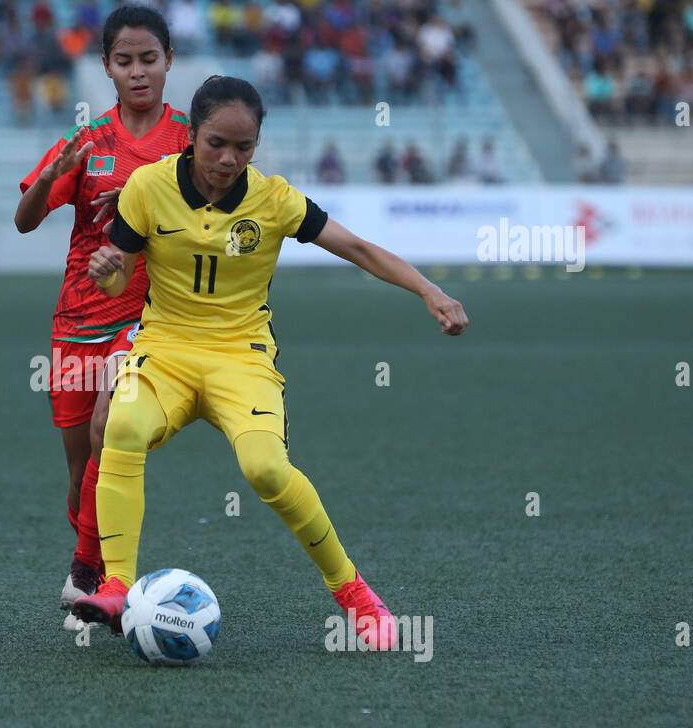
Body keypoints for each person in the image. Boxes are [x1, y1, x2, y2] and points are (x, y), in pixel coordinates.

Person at [72, 76, 470, 647]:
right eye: (216, 144)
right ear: (192, 137)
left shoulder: (275, 199)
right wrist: (106, 268)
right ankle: (116, 584)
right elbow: (116, 291)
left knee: (265, 468)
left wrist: (429, 290)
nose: (229, 159)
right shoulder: (146, 187)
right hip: (163, 352)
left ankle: (355, 594)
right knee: (121, 426)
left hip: (243, 359)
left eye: (244, 146)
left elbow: (356, 247)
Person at [15, 6, 191, 629]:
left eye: (150, 58)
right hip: (75, 320)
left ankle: (96, 579)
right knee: (78, 469)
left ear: (169, 60)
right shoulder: (86, 141)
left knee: (104, 431)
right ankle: (84, 558)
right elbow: (25, 219)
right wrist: (53, 178)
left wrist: (149, 206)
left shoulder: (192, 142)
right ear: (107, 68)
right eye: (125, 61)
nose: (138, 71)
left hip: (144, 319)